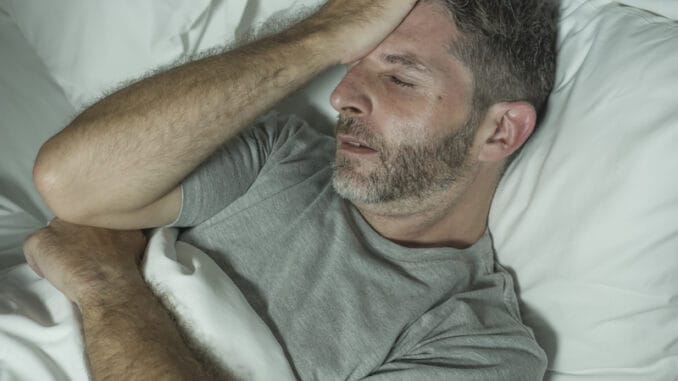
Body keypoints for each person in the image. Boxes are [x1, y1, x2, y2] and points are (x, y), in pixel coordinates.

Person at [23, 0, 558, 379]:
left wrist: (106, 285)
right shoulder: (279, 156)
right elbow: (71, 182)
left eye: (399, 78)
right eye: (351, 66)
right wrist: (321, 34)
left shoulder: (476, 346)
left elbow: (92, 252)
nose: (343, 97)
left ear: (500, 130)